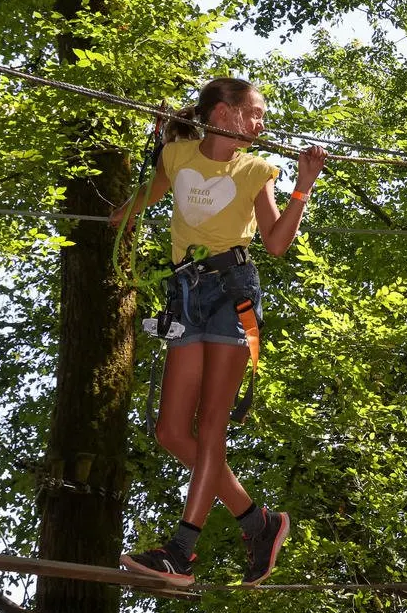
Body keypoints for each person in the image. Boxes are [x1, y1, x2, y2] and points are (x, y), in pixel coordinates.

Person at [109, 76, 327, 586]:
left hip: (232, 291)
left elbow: (275, 243)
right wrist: (101, 220)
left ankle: (181, 551)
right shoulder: (176, 156)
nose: (261, 122)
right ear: (224, 113)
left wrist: (302, 186)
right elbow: (137, 203)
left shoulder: (256, 169)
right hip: (185, 294)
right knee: (169, 431)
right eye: (254, 112)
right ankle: (259, 522)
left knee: (210, 428)